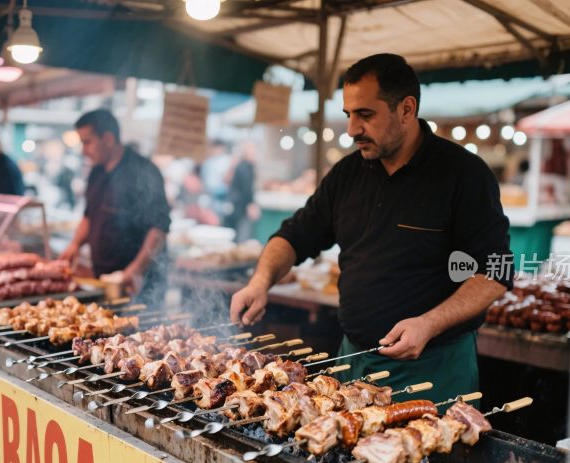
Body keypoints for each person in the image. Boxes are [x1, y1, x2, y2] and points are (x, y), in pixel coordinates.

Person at [230, 54, 513, 403]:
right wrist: (260, 282)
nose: (352, 130)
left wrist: (428, 323)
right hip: (353, 359)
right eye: (349, 115)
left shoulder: (464, 175)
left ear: (406, 109)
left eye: (366, 115)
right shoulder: (347, 174)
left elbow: (495, 271)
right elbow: (295, 234)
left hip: (432, 368)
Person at [60, 109, 170, 300]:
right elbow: (89, 215)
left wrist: (135, 270)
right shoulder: (96, 172)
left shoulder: (144, 172)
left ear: (108, 138)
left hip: (140, 284)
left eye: (87, 142)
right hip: (104, 279)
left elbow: (158, 229)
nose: (83, 151)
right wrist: (74, 244)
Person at [223, 142, 258, 242]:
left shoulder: (240, 166)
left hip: (236, 205)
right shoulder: (246, 168)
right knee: (242, 235)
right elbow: (247, 189)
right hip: (241, 206)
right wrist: (251, 204)